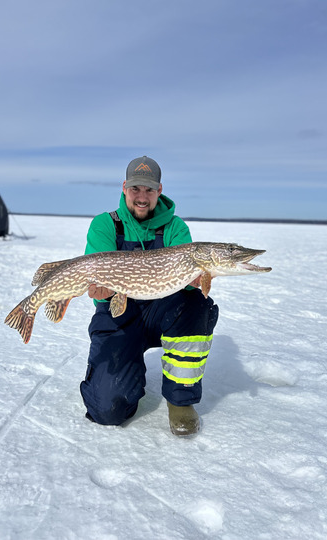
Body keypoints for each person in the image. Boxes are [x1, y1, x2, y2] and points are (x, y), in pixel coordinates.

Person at [80, 156, 219, 436]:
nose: (142, 197)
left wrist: (196, 281)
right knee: (107, 410)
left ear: (159, 190)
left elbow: (185, 285)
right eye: (136, 189)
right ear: (124, 188)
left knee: (198, 304)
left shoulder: (175, 228)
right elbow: (98, 290)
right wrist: (102, 292)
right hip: (120, 315)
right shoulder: (105, 225)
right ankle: (126, 371)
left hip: (161, 310)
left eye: (149, 190)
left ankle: (181, 400)